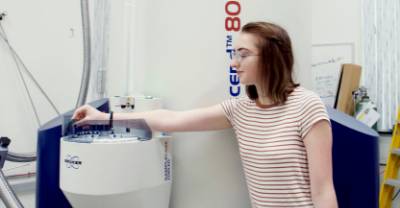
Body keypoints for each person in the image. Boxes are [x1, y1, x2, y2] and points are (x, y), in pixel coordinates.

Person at [72, 21, 338, 208]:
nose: (234, 63)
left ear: (271, 57)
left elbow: (324, 190)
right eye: (234, 54)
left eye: (243, 55)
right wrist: (102, 117)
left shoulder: (307, 105)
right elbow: (169, 120)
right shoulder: (239, 110)